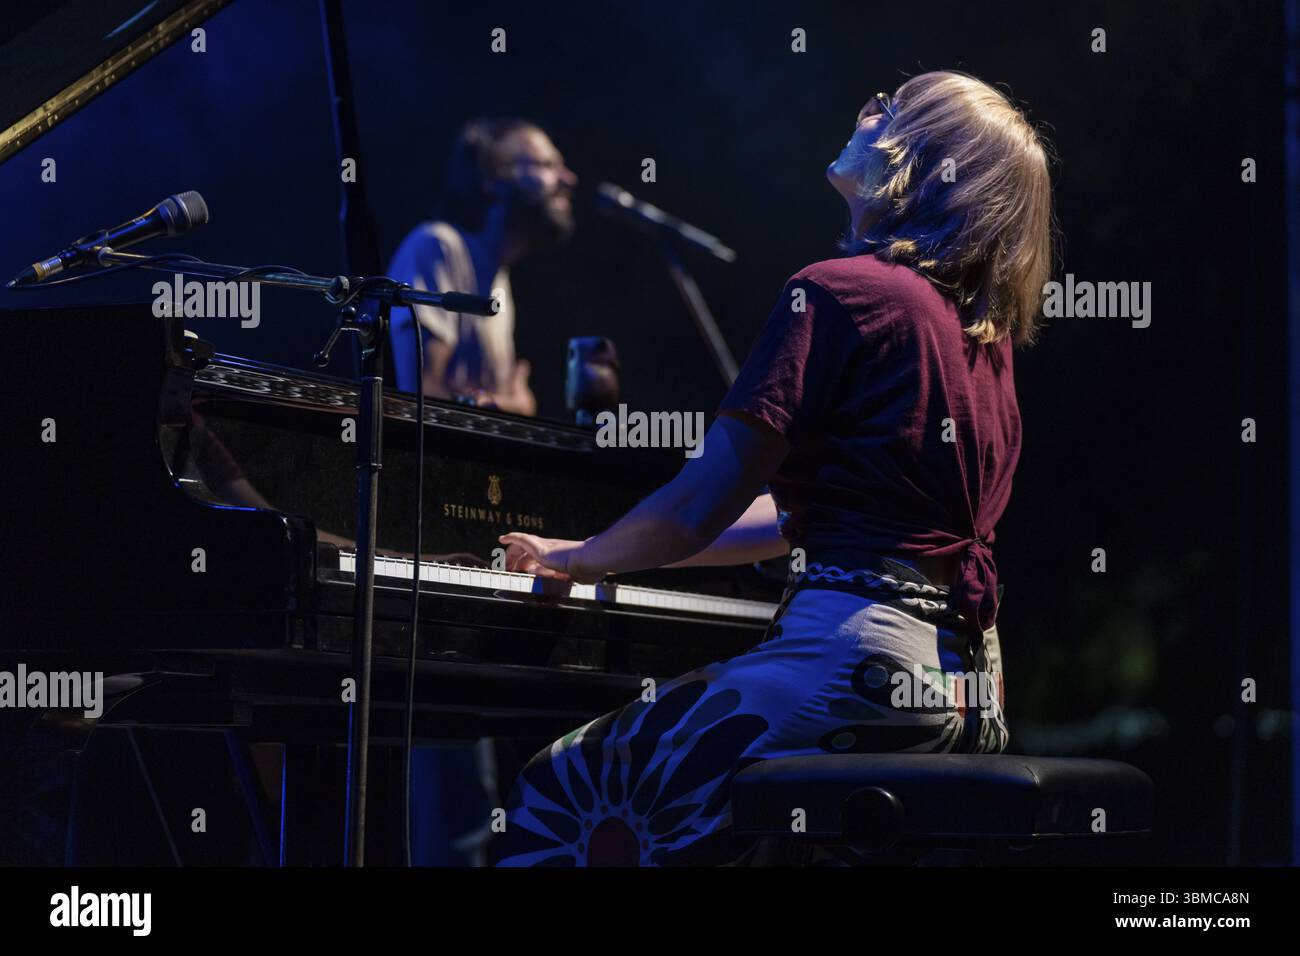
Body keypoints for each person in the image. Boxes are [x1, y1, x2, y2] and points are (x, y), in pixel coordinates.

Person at [488, 70, 1055, 866]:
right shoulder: (979, 344)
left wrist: (580, 558)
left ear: (924, 165)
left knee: (569, 790)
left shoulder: (839, 294)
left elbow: (698, 504)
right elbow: (788, 521)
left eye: (892, 108)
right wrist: (594, 550)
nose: (867, 109)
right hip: (968, 689)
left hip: (859, 666)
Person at [387, 117, 578, 415]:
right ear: (493, 179)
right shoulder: (437, 246)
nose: (568, 179)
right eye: (546, 164)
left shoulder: (498, 275)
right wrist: (515, 406)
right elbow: (420, 400)